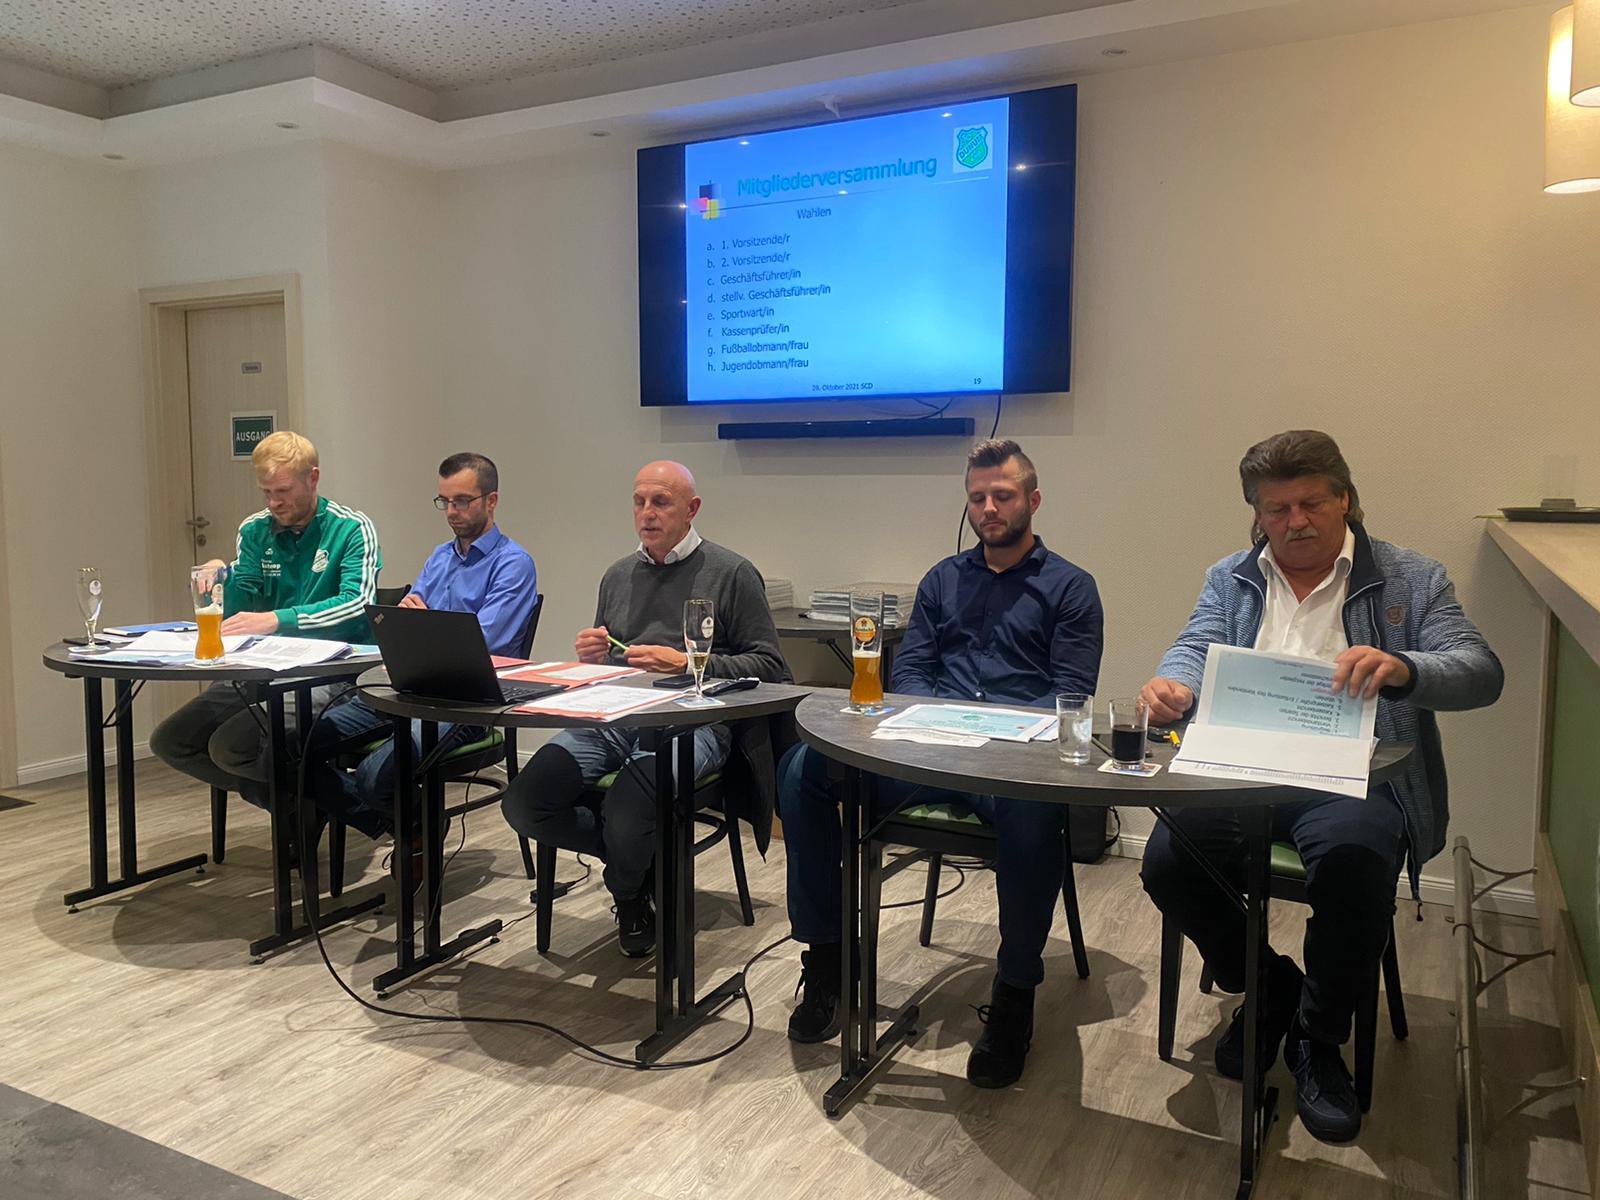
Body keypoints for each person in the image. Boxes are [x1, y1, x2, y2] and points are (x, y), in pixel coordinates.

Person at [1138, 429, 1503, 1144]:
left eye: (1311, 503)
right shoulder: (1230, 576)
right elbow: (1194, 644)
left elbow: (1480, 670)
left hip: (1351, 775)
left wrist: (1405, 669)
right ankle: (1269, 982)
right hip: (1242, 769)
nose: (1295, 521)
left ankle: (1318, 1035)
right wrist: (1173, 681)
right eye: (1277, 509)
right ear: (1257, 514)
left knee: (1354, 864)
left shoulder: (1411, 578)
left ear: (1345, 499)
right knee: (1169, 860)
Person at [781, 438, 1104, 1089]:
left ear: (1033, 500)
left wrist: (991, 737)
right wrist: (928, 731)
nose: (989, 508)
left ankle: (1014, 993)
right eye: (978, 497)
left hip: (1011, 764)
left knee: (1035, 818)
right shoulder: (942, 580)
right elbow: (913, 675)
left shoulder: (1071, 588)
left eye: (1003, 496)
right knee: (802, 773)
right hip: (926, 752)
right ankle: (828, 955)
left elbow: (1069, 695)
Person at [499, 460, 790, 956]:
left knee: (629, 808)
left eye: (661, 502)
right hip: (615, 718)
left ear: (691, 509)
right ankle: (642, 862)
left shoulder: (732, 573)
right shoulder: (618, 575)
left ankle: (628, 892)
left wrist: (689, 662)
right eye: (639, 502)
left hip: (695, 722)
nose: (647, 513)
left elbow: (771, 667)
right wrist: (594, 656)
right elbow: (612, 660)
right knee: (525, 801)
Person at [149, 431, 383, 819]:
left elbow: (356, 604)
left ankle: (368, 815)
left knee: (232, 746)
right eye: (266, 492)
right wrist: (221, 577)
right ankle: (298, 808)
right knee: (172, 741)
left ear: (313, 478)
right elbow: (242, 604)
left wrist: (278, 619)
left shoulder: (351, 528)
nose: (274, 502)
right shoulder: (255, 529)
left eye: (283, 491)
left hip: (333, 672)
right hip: (264, 668)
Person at [311, 452, 537, 842]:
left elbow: (482, 646)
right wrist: (411, 623)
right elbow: (406, 627)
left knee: (374, 775)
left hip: (469, 704)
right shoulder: (440, 557)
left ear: (492, 501)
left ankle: (413, 825)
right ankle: (415, 823)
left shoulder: (513, 564)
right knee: (294, 744)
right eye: (444, 501)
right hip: (408, 688)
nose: (451, 512)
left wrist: (423, 624)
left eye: (462, 501)